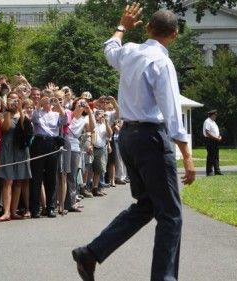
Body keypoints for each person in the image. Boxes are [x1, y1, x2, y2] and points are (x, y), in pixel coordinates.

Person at [71, 4, 196, 281]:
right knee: (171, 215)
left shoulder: (130, 52)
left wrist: (122, 26)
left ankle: (90, 253)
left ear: (149, 28)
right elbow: (173, 112)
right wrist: (186, 155)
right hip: (151, 137)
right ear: (174, 35)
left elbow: (110, 50)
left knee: (147, 205)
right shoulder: (162, 62)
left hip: (128, 135)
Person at [0, 92, 32, 222]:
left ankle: (13, 211)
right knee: (8, 180)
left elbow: (24, 127)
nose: (14, 102)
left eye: (16, 100)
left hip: (20, 149)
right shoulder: (2, 115)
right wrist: (9, 112)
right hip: (7, 149)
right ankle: (5, 212)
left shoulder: (24, 115)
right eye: (11, 99)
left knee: (19, 180)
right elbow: (5, 128)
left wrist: (20, 109)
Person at [203, 109, 223, 176]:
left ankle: (217, 170)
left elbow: (216, 131)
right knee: (211, 156)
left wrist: (219, 136)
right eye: (215, 115)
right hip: (210, 140)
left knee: (216, 156)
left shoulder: (213, 122)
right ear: (212, 115)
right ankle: (209, 172)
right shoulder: (208, 121)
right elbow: (207, 132)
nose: (216, 116)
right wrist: (216, 138)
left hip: (215, 140)